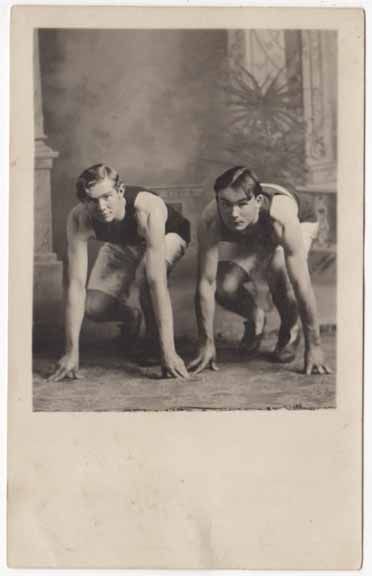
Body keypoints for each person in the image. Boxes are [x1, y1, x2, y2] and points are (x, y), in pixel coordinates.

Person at [49, 163, 190, 381]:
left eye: (107, 197)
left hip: (165, 236)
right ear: (83, 201)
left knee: (146, 277)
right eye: (92, 200)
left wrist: (169, 353)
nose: (101, 206)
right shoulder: (79, 218)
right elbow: (76, 285)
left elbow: (156, 282)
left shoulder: (148, 208)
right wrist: (71, 352)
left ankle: (156, 344)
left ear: (120, 191)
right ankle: (131, 317)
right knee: (94, 307)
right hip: (121, 243)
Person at [190, 166, 331, 376]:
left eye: (242, 204)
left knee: (279, 268)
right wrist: (206, 343)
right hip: (253, 232)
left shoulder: (281, 217)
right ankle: (256, 316)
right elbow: (206, 283)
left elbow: (301, 284)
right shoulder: (211, 218)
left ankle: (290, 329)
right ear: (218, 200)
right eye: (226, 204)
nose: (233, 214)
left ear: (257, 202)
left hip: (299, 222)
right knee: (224, 286)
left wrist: (316, 346)